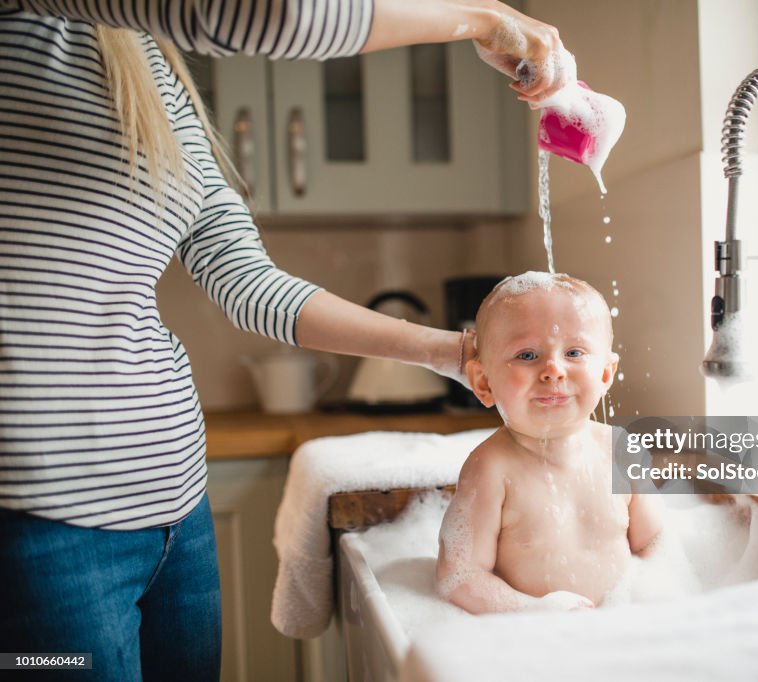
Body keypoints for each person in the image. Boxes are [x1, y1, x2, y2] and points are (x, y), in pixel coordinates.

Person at [0, 1, 571, 678]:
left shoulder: (145, 63)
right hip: (38, 524)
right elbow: (277, 15)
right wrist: (484, 18)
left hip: (176, 510)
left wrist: (450, 352)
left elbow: (245, 280)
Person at [435, 272, 664, 614]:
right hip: (533, 639)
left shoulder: (620, 450)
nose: (554, 370)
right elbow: (461, 575)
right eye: (527, 355)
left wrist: (655, 601)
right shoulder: (491, 468)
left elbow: (655, 545)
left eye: (574, 352)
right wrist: (532, 610)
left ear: (605, 374)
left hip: (621, 624)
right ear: (483, 381)